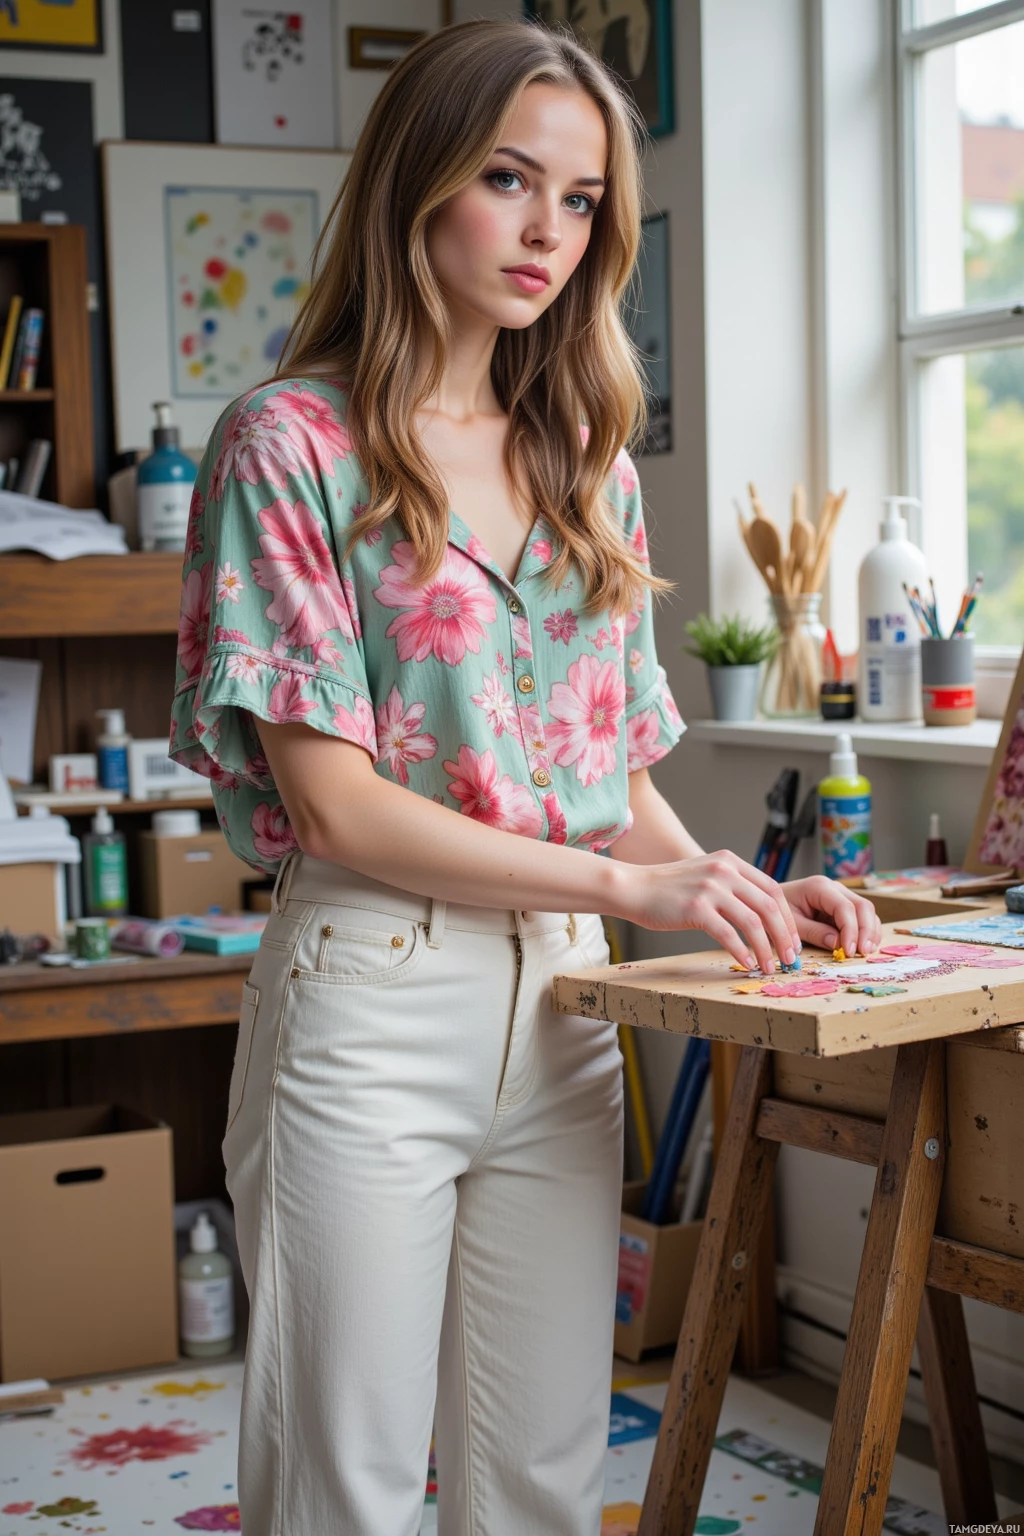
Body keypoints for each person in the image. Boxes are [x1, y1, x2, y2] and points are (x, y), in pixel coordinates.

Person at [169, 18, 881, 1535]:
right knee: (341, 1491)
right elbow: (337, 805)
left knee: (542, 1484)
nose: (549, 230)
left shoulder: (585, 455)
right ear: (419, 181)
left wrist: (739, 897)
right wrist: (634, 886)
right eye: (509, 178)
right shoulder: (287, 446)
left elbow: (606, 771)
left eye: (581, 200)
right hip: (367, 1002)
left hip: (567, 1009)